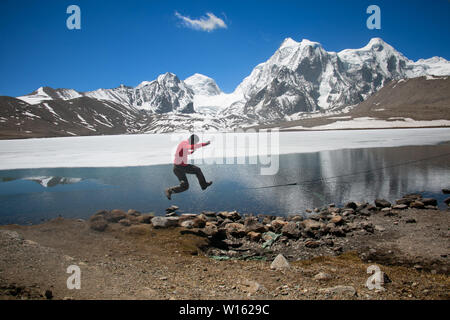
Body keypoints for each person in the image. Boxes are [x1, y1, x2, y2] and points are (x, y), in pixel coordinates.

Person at [164, 134, 212, 200]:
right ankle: (203, 185)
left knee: (185, 186)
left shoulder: (184, 145)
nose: (195, 143)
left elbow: (183, 152)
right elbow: (191, 147)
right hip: (181, 167)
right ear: (192, 140)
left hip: (177, 168)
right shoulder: (184, 143)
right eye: (195, 142)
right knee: (197, 170)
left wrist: (190, 153)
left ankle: (169, 190)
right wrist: (204, 144)